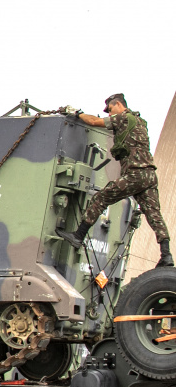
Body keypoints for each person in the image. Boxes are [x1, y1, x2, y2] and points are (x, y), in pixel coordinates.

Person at [58, 95, 173, 267]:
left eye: (110, 110)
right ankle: (166, 255)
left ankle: (78, 236)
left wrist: (78, 114)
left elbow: (95, 122)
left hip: (135, 174)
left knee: (100, 198)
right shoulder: (140, 121)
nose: (110, 114)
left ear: (118, 104)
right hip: (149, 175)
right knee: (154, 215)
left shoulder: (124, 118)